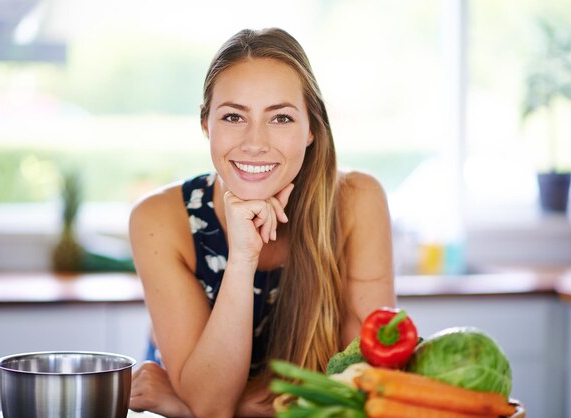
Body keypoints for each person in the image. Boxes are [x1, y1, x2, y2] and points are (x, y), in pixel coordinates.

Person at [128, 27, 395, 418]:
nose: (255, 142)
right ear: (206, 125)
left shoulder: (357, 202)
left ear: (311, 130)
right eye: (234, 116)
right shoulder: (159, 219)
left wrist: (180, 404)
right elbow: (211, 403)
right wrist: (242, 257)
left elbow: (367, 386)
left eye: (281, 118)